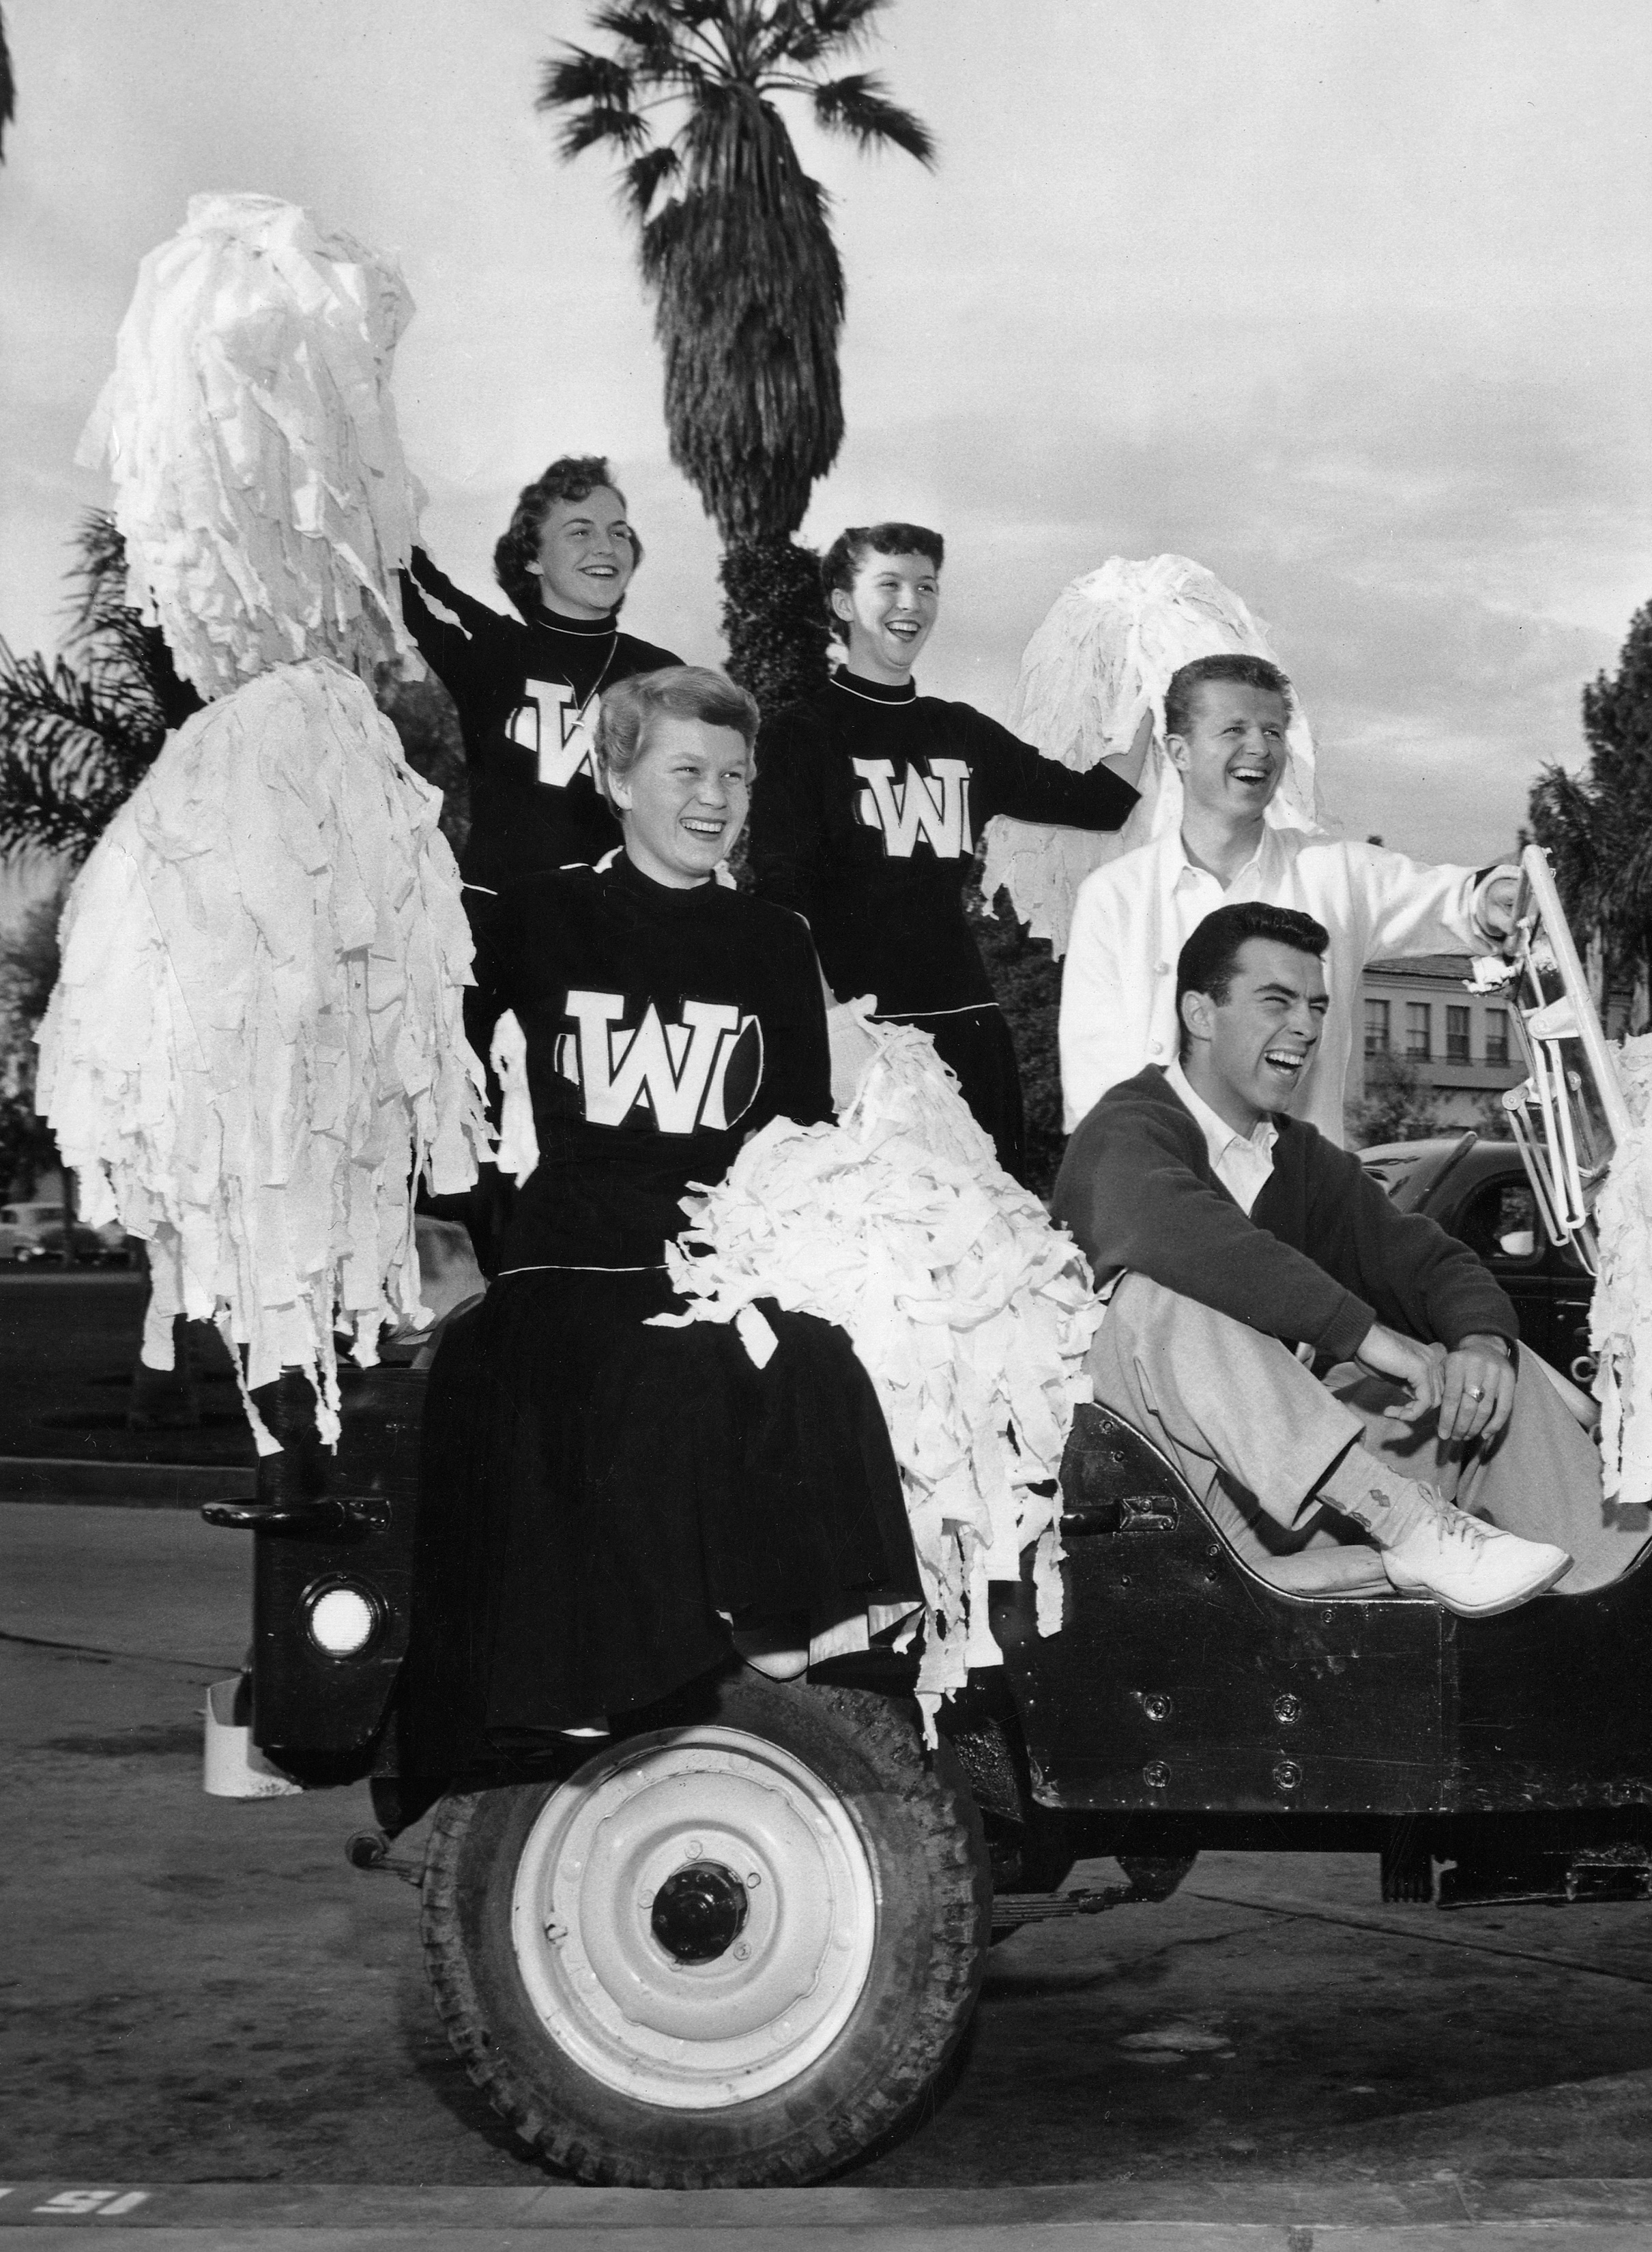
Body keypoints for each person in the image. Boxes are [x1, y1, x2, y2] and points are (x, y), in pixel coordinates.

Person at [403, 667, 917, 1776]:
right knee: (623, 1369)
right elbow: (434, 1061)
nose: (714, 797)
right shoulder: (541, 916)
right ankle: (595, 1686)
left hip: (720, 1240)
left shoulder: (775, 939)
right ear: (615, 777)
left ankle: (786, 1623)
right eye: (685, 770)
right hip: (576, 1239)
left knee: (818, 1360)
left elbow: (796, 1135)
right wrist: (440, 1222)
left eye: (735, 776)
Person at [1053, 901, 1652, 1614]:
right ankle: (1411, 1526)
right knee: (1162, 1296)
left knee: (1490, 1373)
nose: (1306, 1028)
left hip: (1282, 1491)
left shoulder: (1297, 1158)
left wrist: (1483, 1344)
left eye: (1315, 1005)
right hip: (1149, 1495)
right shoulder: (1126, 1127)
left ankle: (1619, 1602)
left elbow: (1432, 1261)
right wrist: (1370, 1340)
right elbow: (1188, 1236)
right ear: (1200, 1013)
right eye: (1276, 1002)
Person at [747, 524, 1145, 1178]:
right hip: (859, 1024)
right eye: (890, 585)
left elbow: (1097, 803)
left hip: (966, 1017)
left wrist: (1152, 684)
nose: (912, 603)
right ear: (844, 604)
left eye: (926, 586)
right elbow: (781, 894)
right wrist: (829, 1025)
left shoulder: (958, 730)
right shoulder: (799, 734)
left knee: (997, 1215)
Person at [1057, 654, 1523, 1148]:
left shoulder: (1335, 873)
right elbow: (1095, 1090)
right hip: (1160, 1196)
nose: (1259, 748)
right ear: (1180, 752)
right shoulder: (1115, 897)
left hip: (1299, 1206)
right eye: (1234, 729)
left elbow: (1457, 901)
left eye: (1274, 731)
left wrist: (1495, 898)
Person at [401, 457, 686, 893]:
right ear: (533, 557)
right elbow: (394, 571)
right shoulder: (490, 652)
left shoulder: (662, 672)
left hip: (622, 926)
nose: (606, 546)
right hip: (503, 924)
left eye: (619, 532)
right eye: (580, 531)